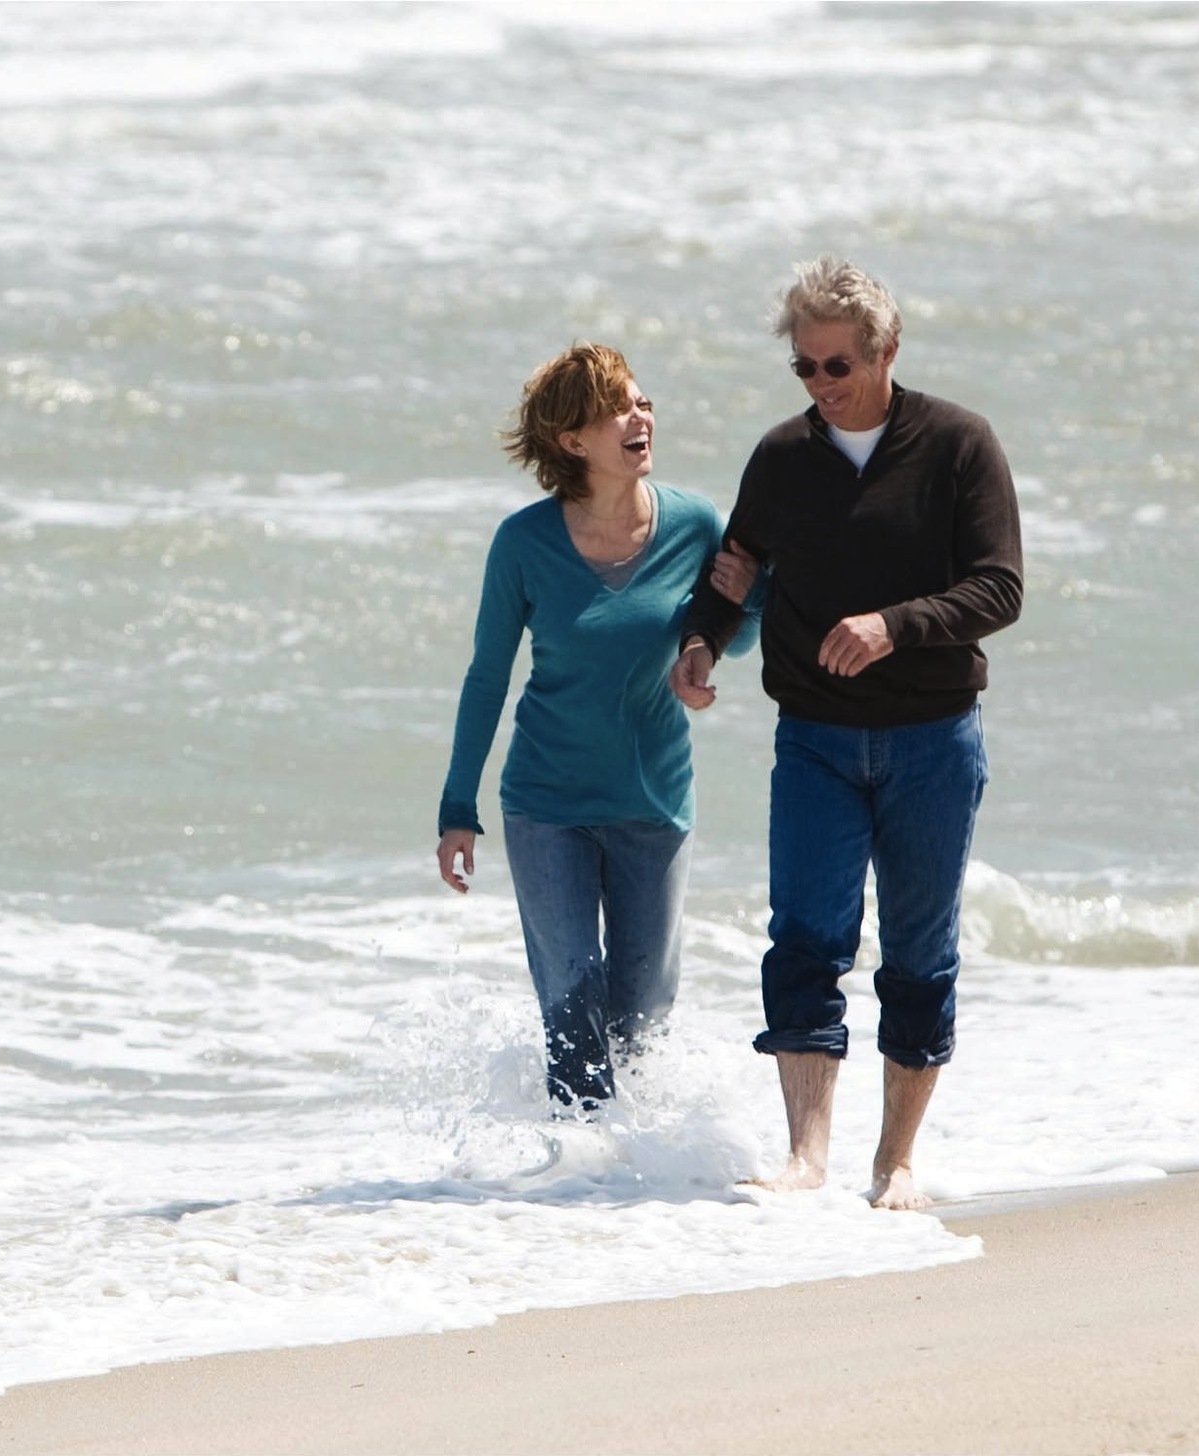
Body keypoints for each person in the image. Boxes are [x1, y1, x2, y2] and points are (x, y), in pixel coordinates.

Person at [673, 256, 1022, 1209]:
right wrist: (701, 640)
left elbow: (1000, 588)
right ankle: (806, 1157)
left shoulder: (959, 445)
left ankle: (896, 1162)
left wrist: (891, 626)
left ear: (886, 351)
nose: (820, 387)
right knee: (804, 941)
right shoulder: (784, 456)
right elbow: (739, 559)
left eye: (837, 367)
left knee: (919, 952)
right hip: (815, 739)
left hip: (932, 738)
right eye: (804, 369)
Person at [437, 343, 759, 1112]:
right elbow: (487, 677)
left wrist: (737, 605)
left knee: (643, 1014)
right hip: (548, 804)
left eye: (643, 401)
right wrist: (458, 809)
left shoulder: (692, 524)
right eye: (620, 408)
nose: (640, 415)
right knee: (574, 1006)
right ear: (572, 441)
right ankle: (575, 1181)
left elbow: (735, 636)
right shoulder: (524, 543)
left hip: (654, 801)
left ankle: (629, 1188)